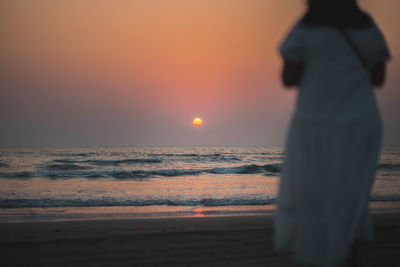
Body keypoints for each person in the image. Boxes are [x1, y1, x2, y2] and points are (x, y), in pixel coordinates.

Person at [274, 1, 390, 267]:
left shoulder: (307, 26)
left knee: (313, 197)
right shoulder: (366, 24)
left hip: (316, 121)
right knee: (355, 202)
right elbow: (378, 77)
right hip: (360, 122)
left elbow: (288, 78)